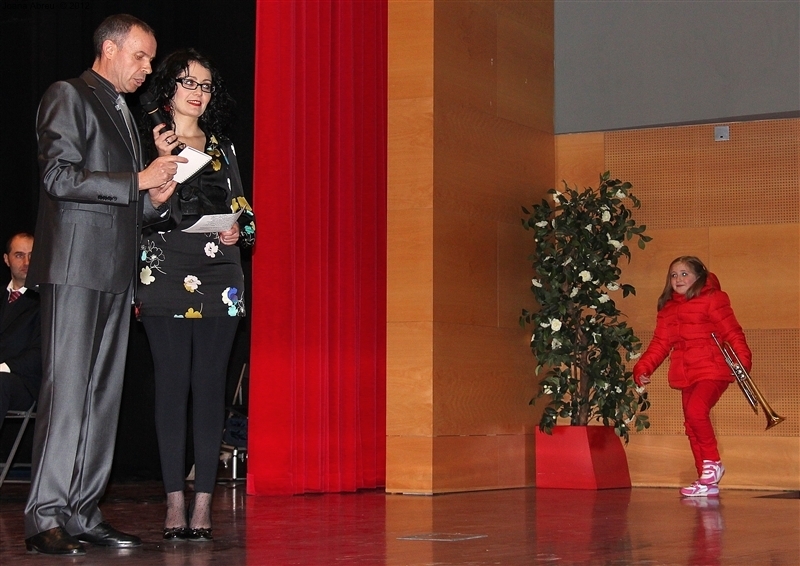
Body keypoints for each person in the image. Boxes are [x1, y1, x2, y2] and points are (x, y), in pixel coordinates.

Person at [24, 14, 186, 556]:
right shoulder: (69, 95)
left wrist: (151, 200)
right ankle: (45, 516)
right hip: (74, 269)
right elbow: (58, 177)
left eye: (150, 59)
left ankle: (83, 512)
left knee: (101, 398)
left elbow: (121, 202)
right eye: (140, 56)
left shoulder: (123, 112)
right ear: (109, 49)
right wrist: (138, 179)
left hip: (115, 273)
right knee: (67, 393)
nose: (147, 69)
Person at [136, 48, 255, 542]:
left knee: (210, 388)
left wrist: (239, 231)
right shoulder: (144, 139)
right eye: (188, 82)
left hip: (219, 275)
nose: (197, 92)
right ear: (168, 86)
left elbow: (245, 210)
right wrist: (158, 173)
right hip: (164, 273)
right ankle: (173, 502)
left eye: (205, 85)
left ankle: (203, 502)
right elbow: (133, 209)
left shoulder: (223, 146)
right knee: (171, 387)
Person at [633, 256, 750, 498]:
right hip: (686, 373)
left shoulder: (713, 298)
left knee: (697, 412)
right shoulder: (668, 309)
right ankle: (706, 481)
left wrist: (743, 362)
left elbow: (732, 332)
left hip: (713, 369)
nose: (678, 279)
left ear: (699, 276)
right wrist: (643, 368)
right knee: (691, 424)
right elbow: (660, 344)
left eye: (684, 274)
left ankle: (713, 463)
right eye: (674, 275)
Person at [0, 233, 41, 427]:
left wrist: (4, 367)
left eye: (32, 255)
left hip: (23, 381)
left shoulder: (48, 301)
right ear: (6, 259)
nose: (27, 262)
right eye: (19, 255)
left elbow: (41, 353)